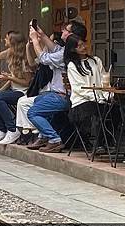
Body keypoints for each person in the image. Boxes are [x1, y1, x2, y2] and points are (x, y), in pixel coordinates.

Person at [26, 20, 88, 153]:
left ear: (72, 35)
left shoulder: (68, 54)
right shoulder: (68, 50)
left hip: (64, 96)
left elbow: (44, 58)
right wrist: (41, 34)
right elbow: (55, 49)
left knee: (33, 112)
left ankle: (54, 139)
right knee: (38, 100)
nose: (63, 32)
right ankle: (44, 135)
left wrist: (35, 41)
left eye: (66, 30)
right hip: (59, 94)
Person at [0, 31, 33, 145]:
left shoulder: (24, 60)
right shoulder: (10, 52)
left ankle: (12, 129)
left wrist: (9, 78)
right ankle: (0, 129)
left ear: (12, 41)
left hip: (23, 92)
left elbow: (26, 83)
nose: (4, 40)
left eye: (6, 39)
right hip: (13, 90)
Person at [65, 35, 109, 150]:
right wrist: (96, 98)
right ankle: (98, 143)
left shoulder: (96, 60)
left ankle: (108, 142)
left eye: (83, 44)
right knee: (97, 109)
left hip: (99, 99)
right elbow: (79, 88)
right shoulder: (72, 65)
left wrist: (107, 96)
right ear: (73, 49)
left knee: (114, 109)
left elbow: (104, 81)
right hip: (81, 102)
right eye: (79, 46)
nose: (83, 47)